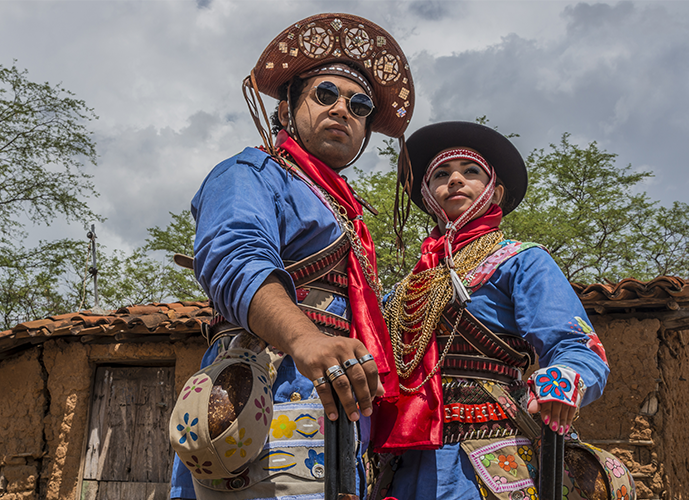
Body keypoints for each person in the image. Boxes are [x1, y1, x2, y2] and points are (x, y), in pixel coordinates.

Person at [169, 13, 414, 500]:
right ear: (286, 111)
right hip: (268, 392)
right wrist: (305, 337)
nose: (342, 109)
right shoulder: (251, 171)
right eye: (326, 95)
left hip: (340, 414)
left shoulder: (346, 211)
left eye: (359, 105)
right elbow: (234, 256)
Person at [370, 121, 615, 500]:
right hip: (405, 463)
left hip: (489, 457)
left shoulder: (521, 260)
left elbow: (576, 345)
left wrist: (563, 379)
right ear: (426, 194)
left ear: (494, 191)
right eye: (440, 174)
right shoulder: (403, 291)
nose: (455, 180)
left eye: (471, 172)